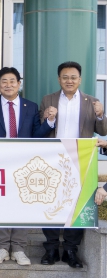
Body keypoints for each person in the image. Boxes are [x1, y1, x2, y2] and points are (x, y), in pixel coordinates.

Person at [0, 66, 52, 266]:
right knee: (0, 202)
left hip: (24, 162)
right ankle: (1, 247)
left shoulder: (31, 106)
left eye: (12, 81)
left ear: (19, 84)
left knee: (23, 203)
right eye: (4, 81)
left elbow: (37, 134)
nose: (8, 85)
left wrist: (49, 122)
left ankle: (19, 248)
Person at [39, 61, 106, 269]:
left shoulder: (92, 101)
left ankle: (70, 250)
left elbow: (103, 131)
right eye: (65, 77)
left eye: (73, 77)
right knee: (50, 201)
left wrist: (101, 115)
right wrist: (49, 119)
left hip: (80, 160)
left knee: (77, 204)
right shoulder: (48, 99)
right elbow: (41, 129)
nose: (69, 81)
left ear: (80, 79)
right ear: (59, 79)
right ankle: (51, 248)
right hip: (52, 159)